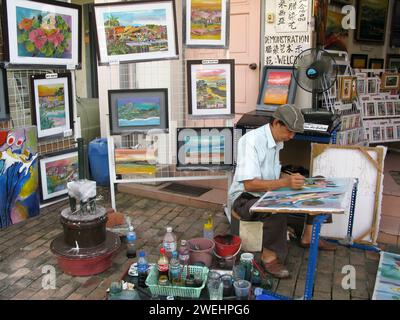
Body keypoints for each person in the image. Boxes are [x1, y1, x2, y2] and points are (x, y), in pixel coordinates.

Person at [228, 104, 336, 279]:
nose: (291, 137)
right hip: (244, 197)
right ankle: (268, 257)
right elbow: (250, 185)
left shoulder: (276, 139)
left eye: (294, 133)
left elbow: (269, 174)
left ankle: (308, 237)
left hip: (264, 191)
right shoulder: (250, 141)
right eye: (290, 131)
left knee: (316, 183)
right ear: (277, 123)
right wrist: (285, 182)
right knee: (274, 208)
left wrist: (292, 179)